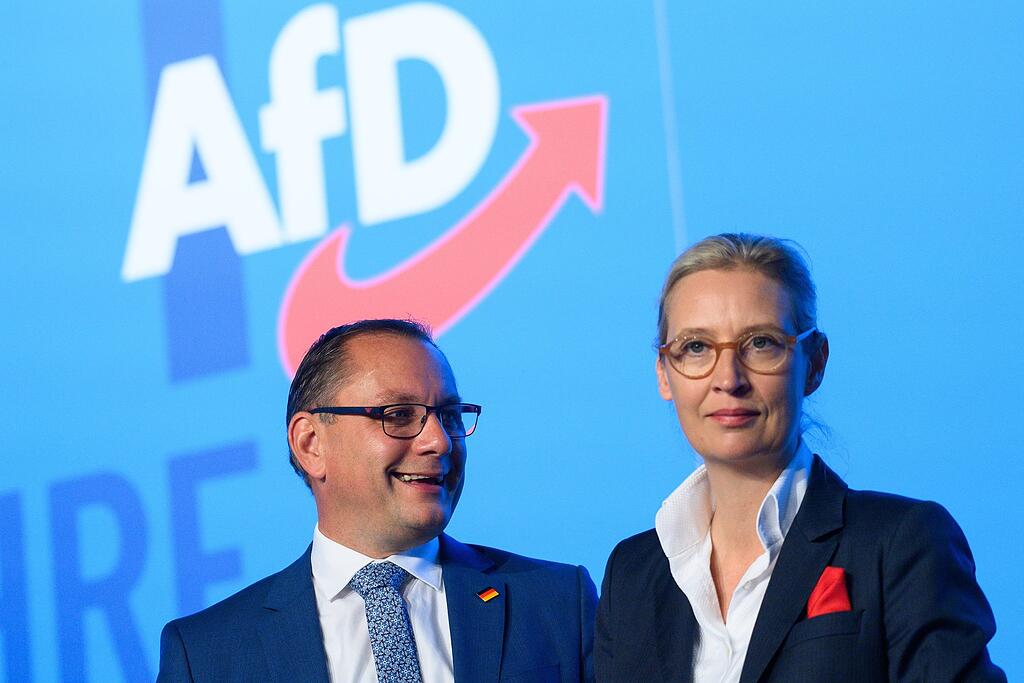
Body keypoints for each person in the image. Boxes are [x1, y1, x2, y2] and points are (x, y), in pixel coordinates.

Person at [595, 234, 1004, 682]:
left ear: (814, 363)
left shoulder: (901, 544)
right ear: (664, 373)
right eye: (696, 347)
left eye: (761, 343)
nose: (728, 379)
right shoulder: (631, 575)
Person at [158, 319, 597, 682]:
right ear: (310, 444)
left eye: (449, 416)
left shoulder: (557, 602)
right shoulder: (208, 655)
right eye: (399, 415)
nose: (439, 441)